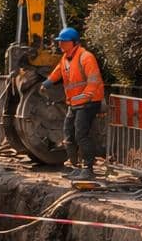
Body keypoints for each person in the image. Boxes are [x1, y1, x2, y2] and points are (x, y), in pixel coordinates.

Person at [44, 26, 105, 180]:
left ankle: (88, 169)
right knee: (69, 134)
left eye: (63, 42)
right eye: (60, 42)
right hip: (75, 103)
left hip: (89, 102)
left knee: (81, 135)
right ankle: (75, 167)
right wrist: (47, 83)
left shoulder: (86, 57)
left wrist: (84, 98)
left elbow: (93, 81)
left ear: (74, 42)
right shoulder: (65, 58)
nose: (60, 45)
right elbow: (58, 71)